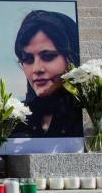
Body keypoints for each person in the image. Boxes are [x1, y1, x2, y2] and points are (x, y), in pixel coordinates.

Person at [11, 10, 83, 138]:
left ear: (72, 57)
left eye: (48, 56)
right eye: (27, 59)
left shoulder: (88, 115)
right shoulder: (14, 118)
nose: (36, 69)